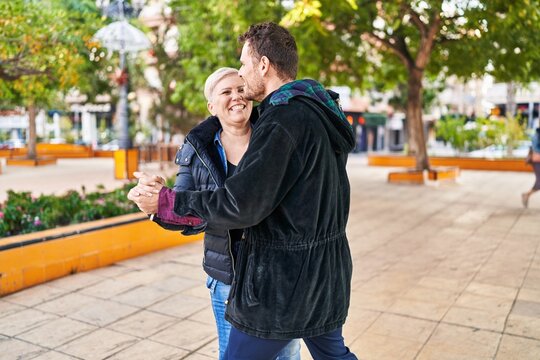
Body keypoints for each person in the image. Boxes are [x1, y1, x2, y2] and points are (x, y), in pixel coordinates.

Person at [129, 22, 357, 359]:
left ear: (263, 65)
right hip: (326, 271)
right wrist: (166, 204)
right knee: (333, 355)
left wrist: (166, 201)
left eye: (243, 63)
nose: (240, 73)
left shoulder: (282, 121)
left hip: (285, 283)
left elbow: (241, 204)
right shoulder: (315, 113)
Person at [151, 67, 300, 360]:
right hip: (227, 278)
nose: (236, 97)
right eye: (226, 92)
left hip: (277, 273)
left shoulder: (274, 138)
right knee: (232, 353)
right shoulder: (198, 149)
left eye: (241, 89)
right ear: (211, 106)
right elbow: (187, 209)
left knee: (287, 354)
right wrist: (158, 202)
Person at [522, 127, 540, 208]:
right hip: (537, 162)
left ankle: (526, 195)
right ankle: (526, 195)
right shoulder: (537, 136)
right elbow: (536, 150)